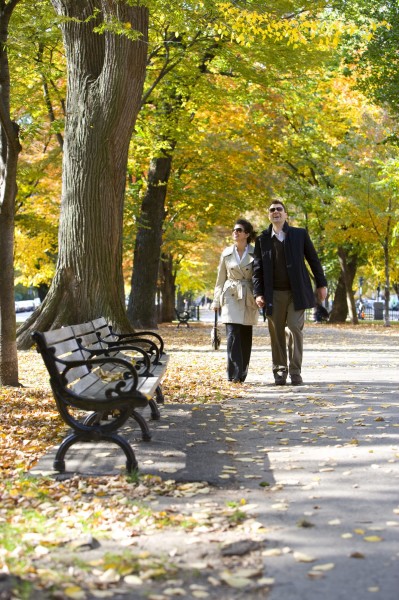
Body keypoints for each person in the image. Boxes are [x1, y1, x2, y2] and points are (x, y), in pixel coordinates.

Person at [253, 201, 328, 386]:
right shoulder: (262, 239)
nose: (276, 212)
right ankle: (279, 369)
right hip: (273, 294)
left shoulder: (299, 234)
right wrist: (258, 293)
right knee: (277, 332)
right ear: (268, 215)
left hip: (297, 291)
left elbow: (313, 259)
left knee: (295, 327)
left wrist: (321, 284)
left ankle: (295, 371)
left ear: (286, 214)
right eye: (272, 210)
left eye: (279, 209)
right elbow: (257, 269)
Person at [211, 219, 259, 383]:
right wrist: (216, 301)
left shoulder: (255, 252)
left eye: (239, 230)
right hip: (231, 295)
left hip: (248, 296)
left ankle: (243, 371)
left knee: (245, 335)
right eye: (234, 230)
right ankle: (233, 374)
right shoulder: (226, 253)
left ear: (246, 234)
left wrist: (261, 296)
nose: (235, 233)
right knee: (232, 334)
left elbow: (260, 277)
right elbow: (220, 279)